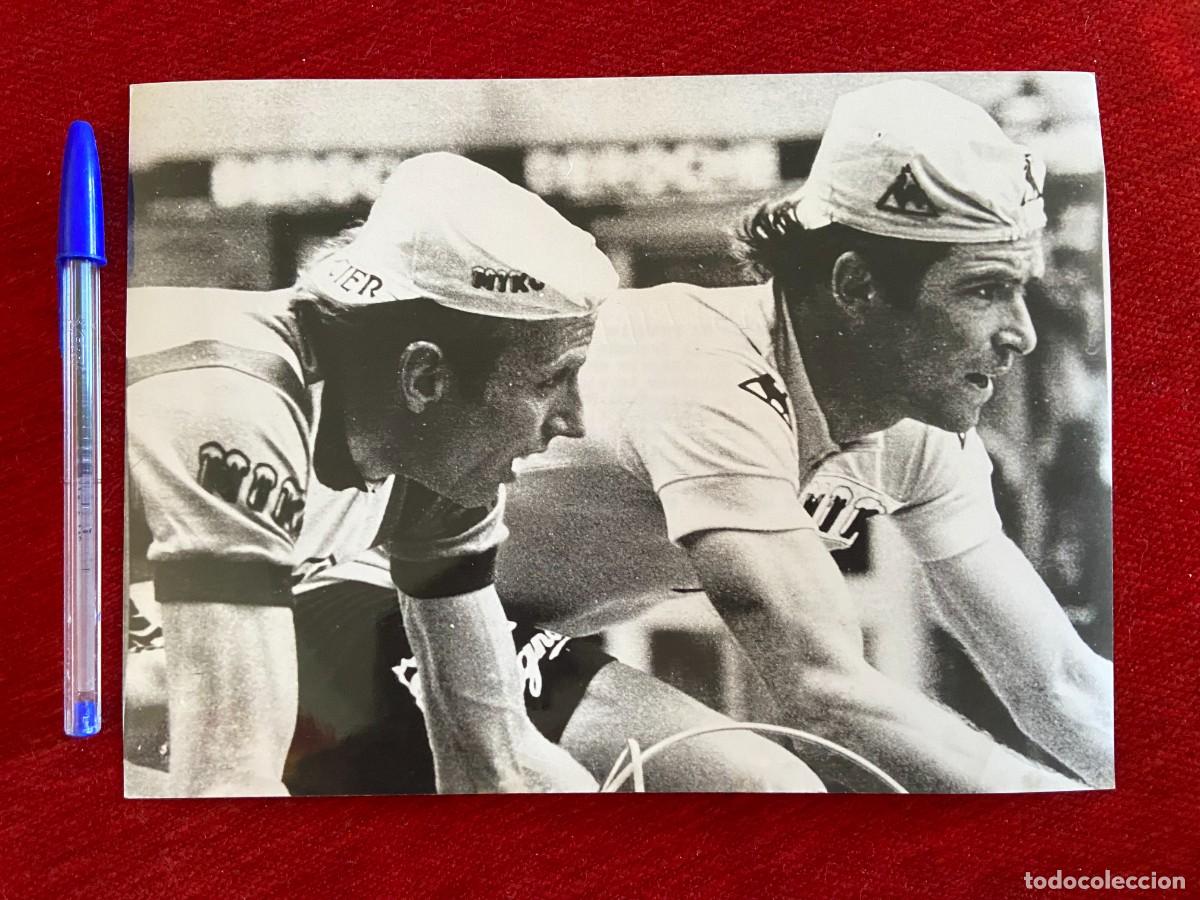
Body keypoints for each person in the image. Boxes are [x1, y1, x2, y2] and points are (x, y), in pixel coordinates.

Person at [302, 80, 1113, 793]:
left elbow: (1059, 683)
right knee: (759, 788)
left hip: (485, 626)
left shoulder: (919, 433)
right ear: (857, 286)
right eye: (984, 291)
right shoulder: (706, 366)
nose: (1022, 335)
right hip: (357, 607)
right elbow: (825, 695)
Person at [124, 152, 620, 796]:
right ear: (425, 378)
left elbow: (496, 757)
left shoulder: (435, 457)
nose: (575, 422)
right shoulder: (236, 399)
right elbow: (226, 787)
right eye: (552, 379)